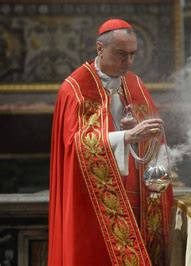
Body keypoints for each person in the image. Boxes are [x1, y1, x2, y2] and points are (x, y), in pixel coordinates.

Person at [48, 19, 173, 266]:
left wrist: (143, 135)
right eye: (121, 55)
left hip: (136, 196)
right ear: (100, 48)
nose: (129, 63)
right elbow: (76, 147)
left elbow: (153, 137)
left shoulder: (135, 84)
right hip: (93, 200)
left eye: (132, 55)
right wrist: (127, 137)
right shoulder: (75, 88)